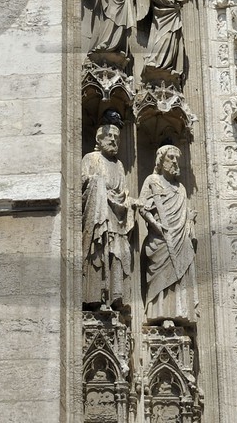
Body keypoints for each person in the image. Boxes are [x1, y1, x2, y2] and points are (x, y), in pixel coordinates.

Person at [80, 114, 135, 310]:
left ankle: (115, 297)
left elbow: (122, 191)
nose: (114, 140)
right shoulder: (91, 158)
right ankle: (96, 297)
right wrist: (97, 183)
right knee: (99, 251)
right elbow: (82, 184)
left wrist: (128, 200)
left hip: (116, 217)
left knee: (119, 253)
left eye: (117, 137)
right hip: (98, 215)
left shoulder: (119, 165)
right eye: (110, 136)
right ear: (99, 138)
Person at [140, 145, 197, 322]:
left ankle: (179, 312)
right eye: (170, 157)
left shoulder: (180, 188)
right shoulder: (151, 180)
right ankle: (159, 314)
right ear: (161, 160)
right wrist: (156, 224)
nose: (174, 161)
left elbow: (185, 212)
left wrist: (189, 220)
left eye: (176, 158)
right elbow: (142, 206)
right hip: (160, 238)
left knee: (180, 271)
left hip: (179, 237)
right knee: (161, 273)